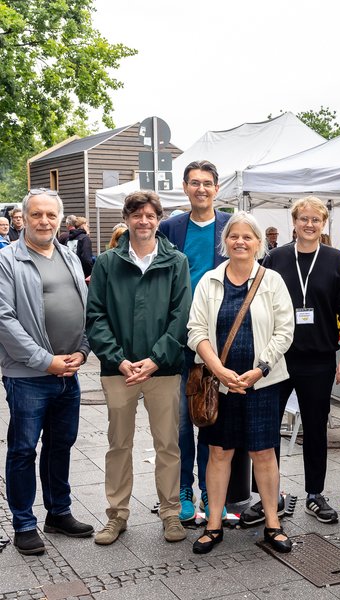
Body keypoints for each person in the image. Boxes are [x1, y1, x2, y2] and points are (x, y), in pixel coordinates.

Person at [86, 190, 191, 546]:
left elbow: (181, 317)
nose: (143, 221)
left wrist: (157, 357)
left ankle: (171, 513)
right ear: (127, 219)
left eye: (150, 215)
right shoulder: (107, 263)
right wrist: (118, 359)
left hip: (163, 370)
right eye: (137, 215)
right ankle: (116, 516)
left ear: (158, 219)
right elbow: (95, 316)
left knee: (168, 444)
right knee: (119, 445)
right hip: (120, 370)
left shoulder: (176, 262)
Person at [187, 212, 294, 554]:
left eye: (248, 237)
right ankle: (214, 523)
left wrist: (260, 368)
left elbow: (285, 331)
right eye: (234, 236)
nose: (240, 242)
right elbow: (196, 330)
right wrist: (217, 369)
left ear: (259, 243)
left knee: (263, 452)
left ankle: (273, 524)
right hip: (220, 385)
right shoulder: (209, 281)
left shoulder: (272, 281)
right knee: (219, 452)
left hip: (261, 383)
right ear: (225, 243)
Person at [0, 188, 94, 556]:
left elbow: (86, 309)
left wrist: (83, 352)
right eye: (37, 214)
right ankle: (24, 522)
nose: (44, 221)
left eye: (50, 216)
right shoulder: (8, 260)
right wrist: (45, 360)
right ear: (25, 217)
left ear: (60, 219)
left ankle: (58, 512)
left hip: (69, 371)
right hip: (28, 376)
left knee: (61, 445)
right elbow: (4, 319)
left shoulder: (69, 256)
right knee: (23, 449)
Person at [262, 196, 340, 524]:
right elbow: (260, 305)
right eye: (304, 218)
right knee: (268, 427)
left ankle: (315, 494)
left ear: (324, 223)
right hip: (277, 358)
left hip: (318, 359)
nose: (310, 224)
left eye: (316, 219)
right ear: (294, 221)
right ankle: (268, 495)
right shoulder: (275, 258)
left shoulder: (336, 260)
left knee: (316, 429)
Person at [160, 160, 231, 521]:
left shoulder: (231, 226)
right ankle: (184, 490)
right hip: (179, 338)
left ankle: (209, 490)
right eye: (194, 183)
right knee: (182, 421)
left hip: (220, 339)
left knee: (211, 416)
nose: (201, 189)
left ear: (217, 188)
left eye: (207, 183)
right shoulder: (169, 228)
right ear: (185, 188)